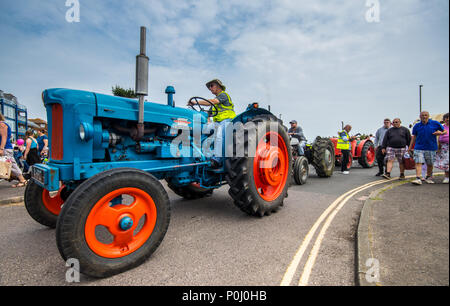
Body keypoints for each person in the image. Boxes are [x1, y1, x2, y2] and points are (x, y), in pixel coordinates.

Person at [187, 79, 236, 167]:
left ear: (218, 86)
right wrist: (207, 121)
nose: (210, 88)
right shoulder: (214, 105)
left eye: (211, 86)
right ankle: (199, 154)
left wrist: (195, 102)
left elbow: (212, 102)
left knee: (219, 134)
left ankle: (217, 159)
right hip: (217, 122)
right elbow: (208, 114)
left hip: (228, 120)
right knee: (202, 129)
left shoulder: (223, 95)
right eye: (209, 87)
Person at [409, 111, 446, 185]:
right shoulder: (416, 125)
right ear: (420, 116)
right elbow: (414, 137)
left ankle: (428, 177)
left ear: (428, 116)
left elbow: (444, 131)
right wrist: (410, 147)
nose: (424, 116)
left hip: (431, 147)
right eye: (422, 115)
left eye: (426, 115)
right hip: (419, 147)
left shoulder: (435, 123)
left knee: (430, 163)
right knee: (418, 162)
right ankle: (418, 178)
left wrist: (441, 133)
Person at [0, 113, 27, 187]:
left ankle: (22, 180)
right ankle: (15, 178)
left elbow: (4, 137)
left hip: (5, 148)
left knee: (11, 165)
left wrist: (1, 149)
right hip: (4, 147)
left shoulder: (2, 124)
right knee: (9, 165)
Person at [434, 112, 449, 183]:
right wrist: (438, 147)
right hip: (444, 147)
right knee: (446, 162)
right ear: (444, 120)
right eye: (447, 119)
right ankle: (447, 177)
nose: (448, 120)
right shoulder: (442, 127)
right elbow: (438, 137)